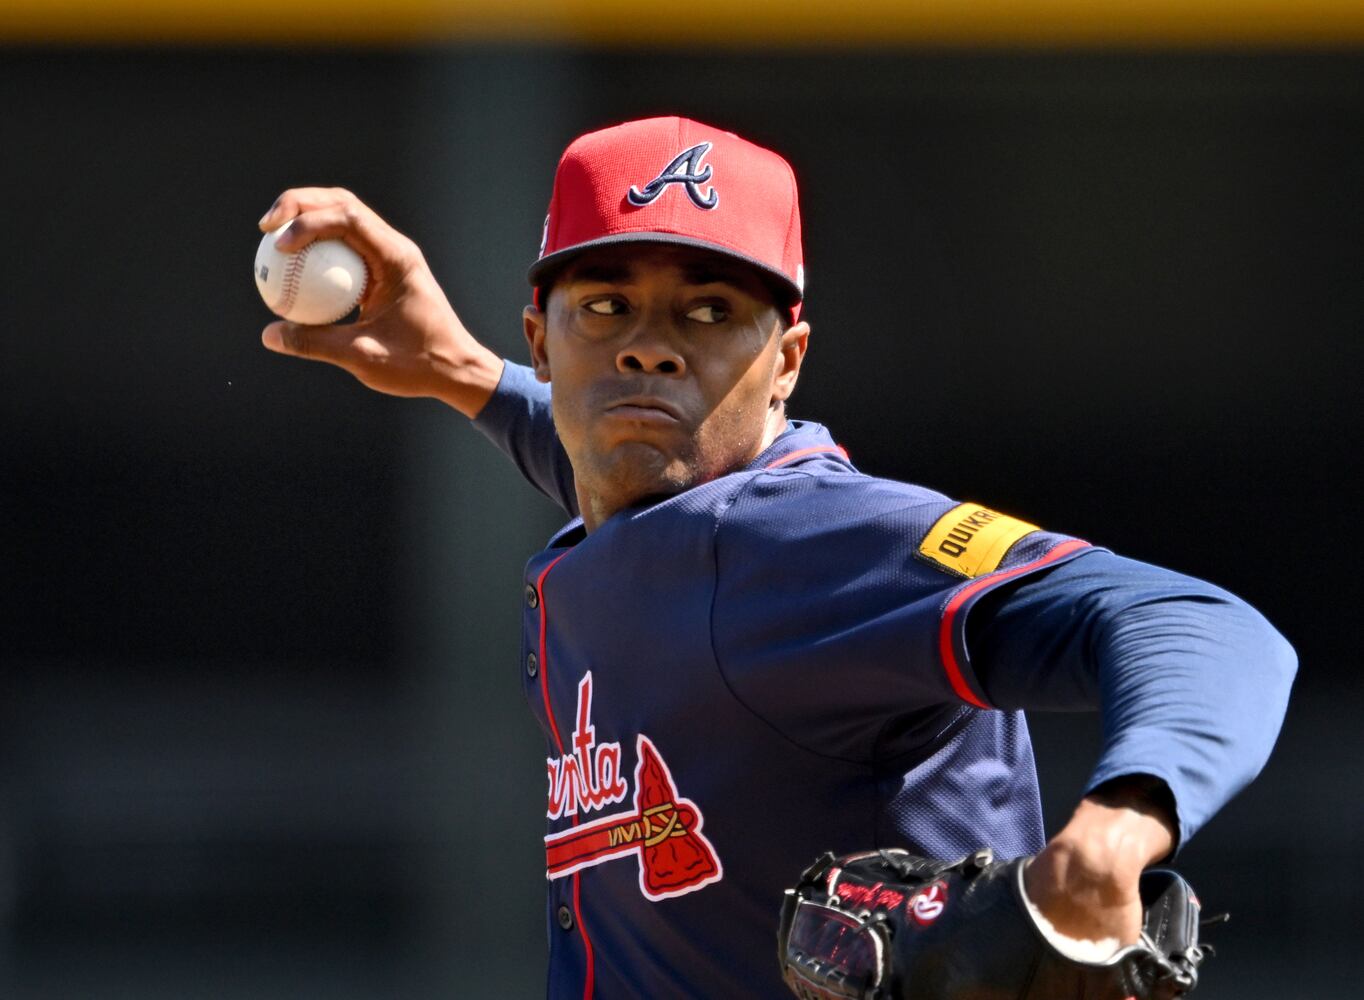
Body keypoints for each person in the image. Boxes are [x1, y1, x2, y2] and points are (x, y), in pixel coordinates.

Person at [256, 116, 1295, 999]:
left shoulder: (821, 540)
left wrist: (1119, 825)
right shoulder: (641, 505)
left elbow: (1200, 626)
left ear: (786, 361)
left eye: (710, 312)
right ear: (541, 340)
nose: (648, 346)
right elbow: (615, 475)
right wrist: (463, 374)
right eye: (605, 306)